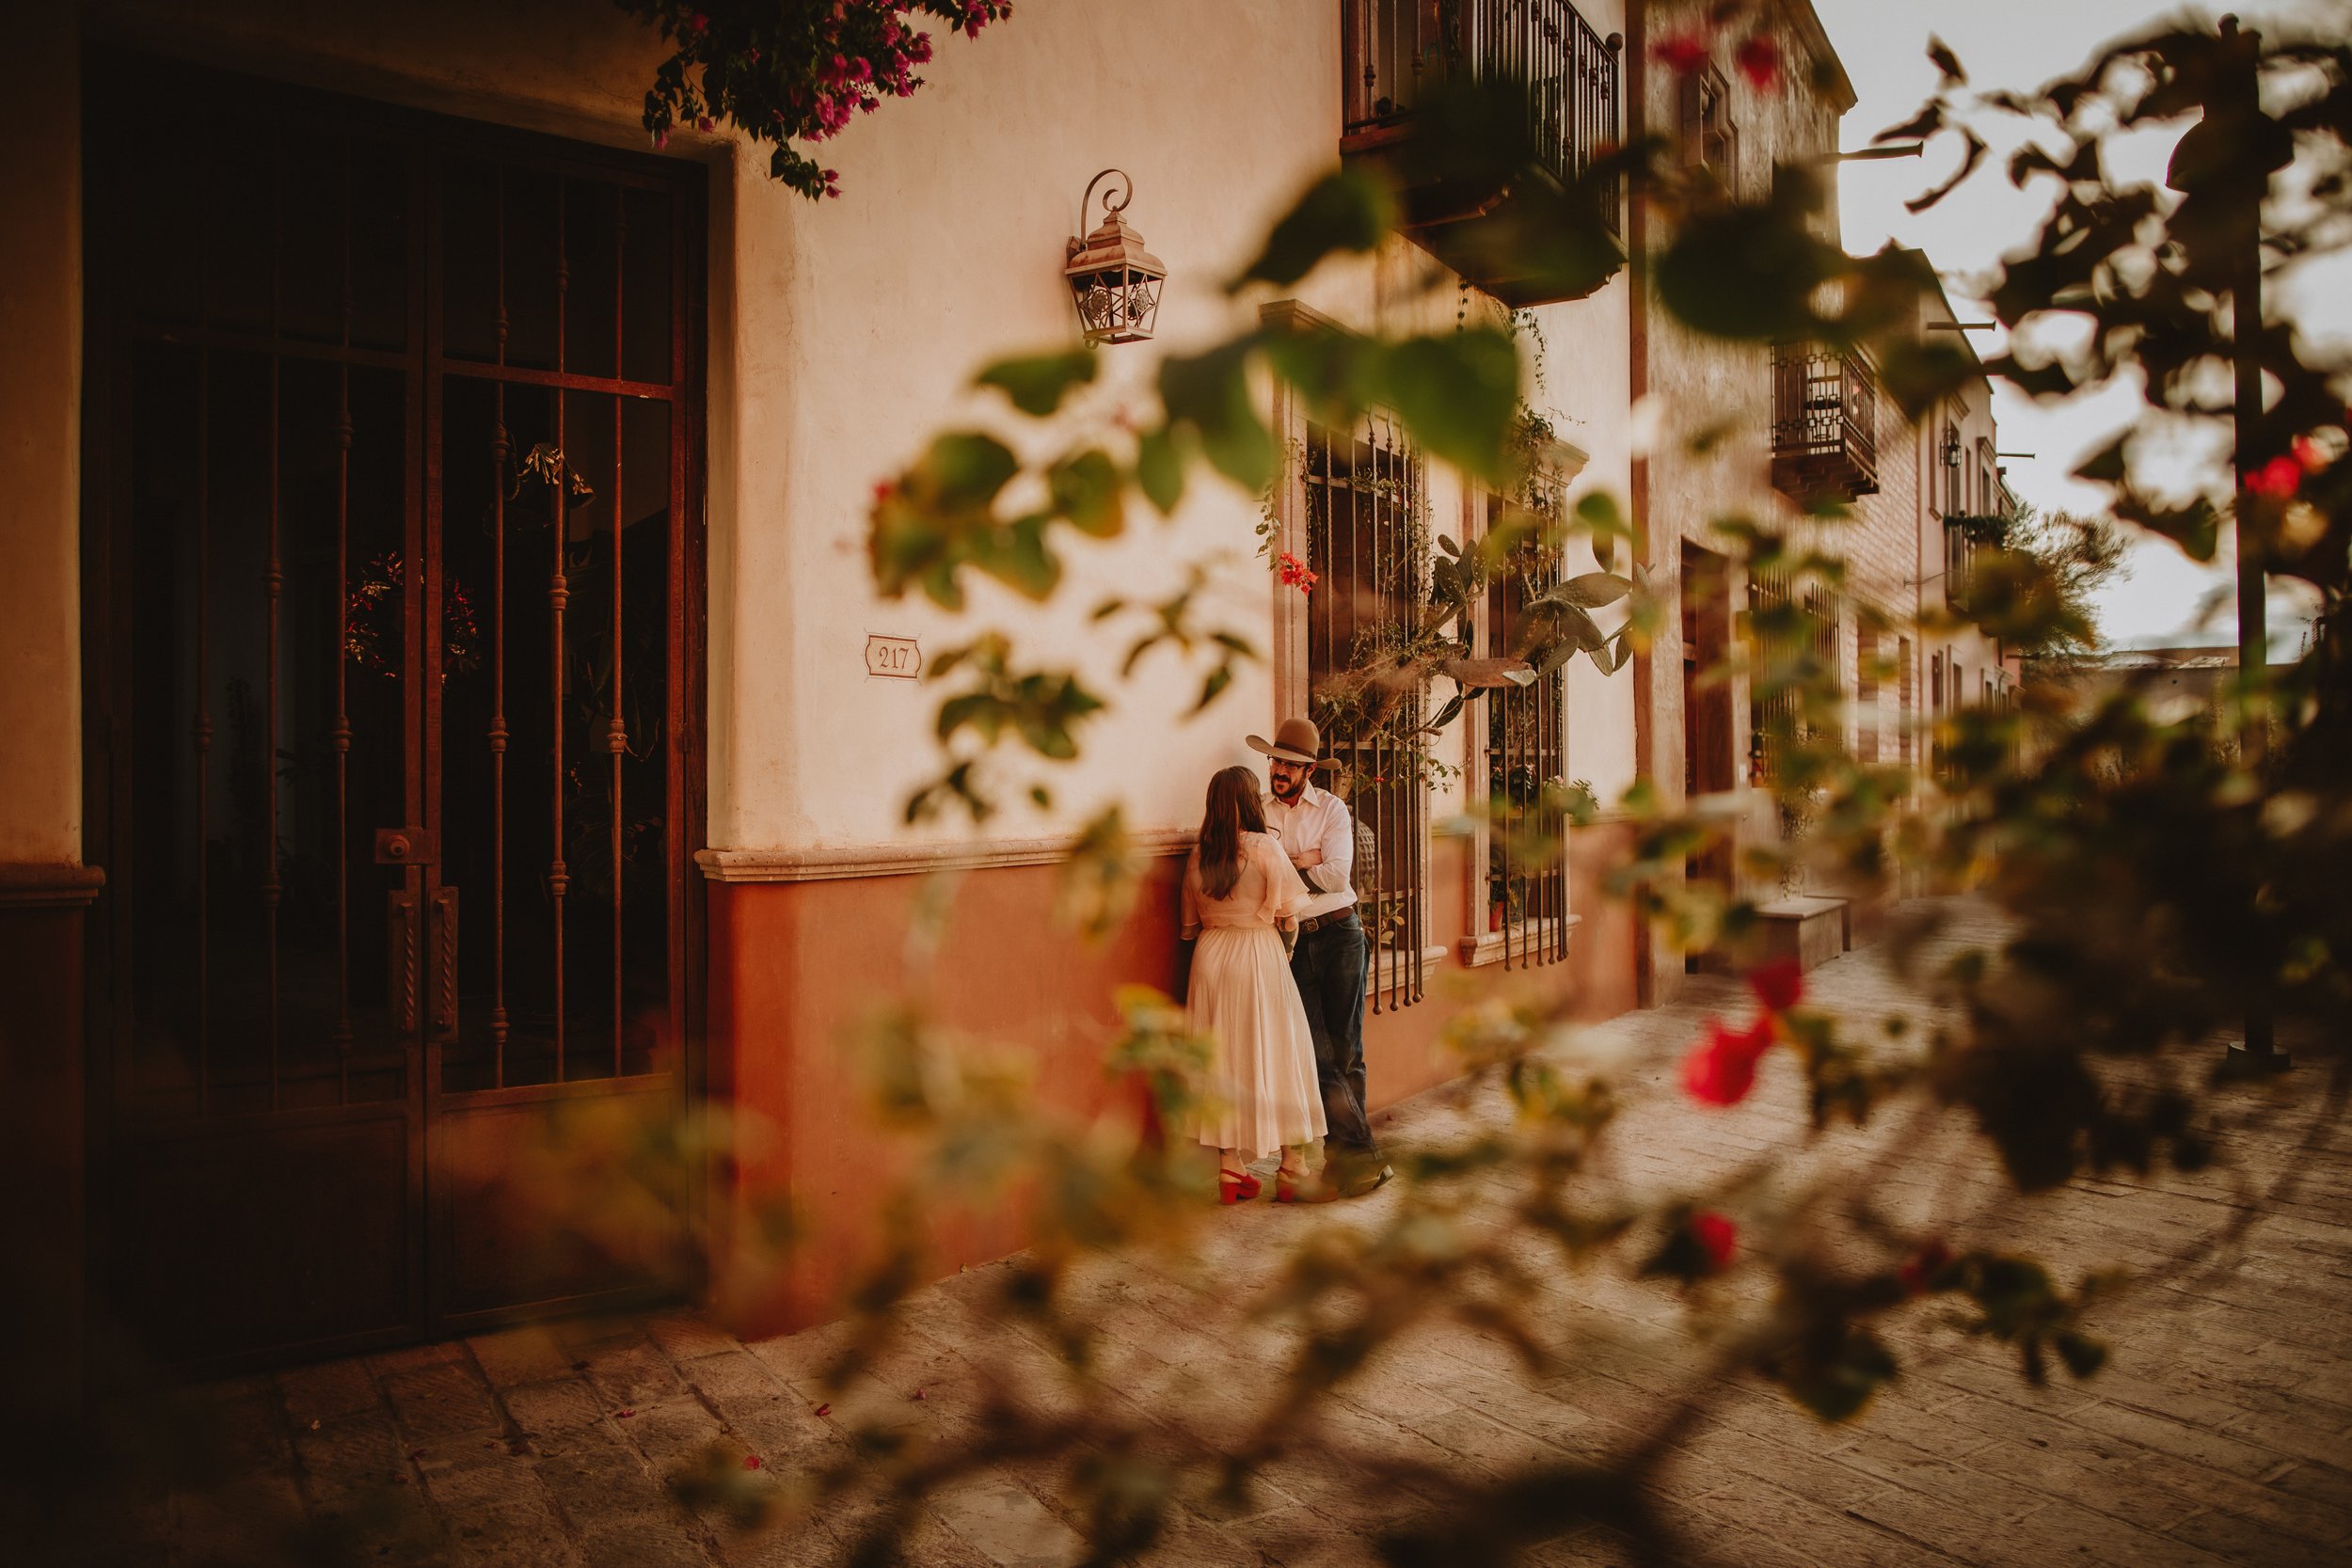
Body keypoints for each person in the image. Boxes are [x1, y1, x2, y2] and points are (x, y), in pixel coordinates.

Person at [1248, 718, 1392, 1198]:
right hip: (1292, 940)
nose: (1279, 770)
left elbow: (1337, 876)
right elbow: (1263, 871)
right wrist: (1303, 861)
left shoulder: (1332, 809)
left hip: (1340, 934)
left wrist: (1285, 866)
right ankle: (1364, 1159)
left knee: (1347, 1050)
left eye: (1289, 763)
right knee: (1315, 1052)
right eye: (1275, 760)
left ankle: (1343, 1163)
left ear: (1309, 769)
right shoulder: (1258, 811)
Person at [1180, 766, 1333, 1203]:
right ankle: (1293, 1166)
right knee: (1280, 1052)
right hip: (1257, 953)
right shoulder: (1265, 847)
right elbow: (1289, 914)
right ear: (1251, 800)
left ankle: (1230, 1168)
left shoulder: (1199, 854)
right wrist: (1283, 949)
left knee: (1222, 1059)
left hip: (1209, 958)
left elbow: (1188, 926)